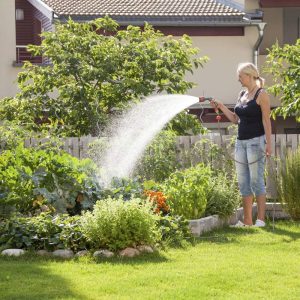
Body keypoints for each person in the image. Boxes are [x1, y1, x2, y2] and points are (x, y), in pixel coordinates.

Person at [200, 62, 272, 227]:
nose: (238, 79)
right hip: (241, 142)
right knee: (243, 180)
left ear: (249, 75)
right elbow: (235, 119)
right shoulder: (241, 94)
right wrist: (221, 106)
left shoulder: (262, 94)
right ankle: (247, 221)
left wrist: (269, 144)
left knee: (256, 179)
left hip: (256, 141)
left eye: (240, 76)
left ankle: (260, 220)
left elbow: (266, 121)